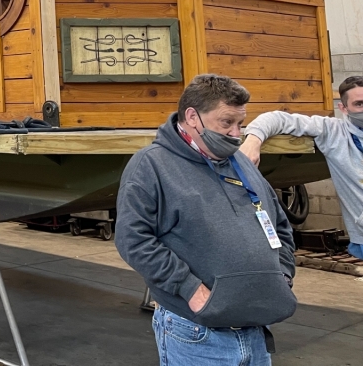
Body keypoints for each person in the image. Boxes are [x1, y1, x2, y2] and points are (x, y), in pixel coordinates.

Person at [116, 74, 297, 365]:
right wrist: (190, 289)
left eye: (240, 123)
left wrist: (282, 275)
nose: (236, 134)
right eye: (226, 123)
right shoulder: (151, 165)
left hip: (256, 329)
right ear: (192, 117)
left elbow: (280, 226)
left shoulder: (242, 164)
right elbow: (133, 239)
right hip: (197, 333)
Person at [241, 75, 363, 260]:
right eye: (359, 104)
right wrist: (253, 140)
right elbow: (277, 119)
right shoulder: (334, 132)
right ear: (343, 108)